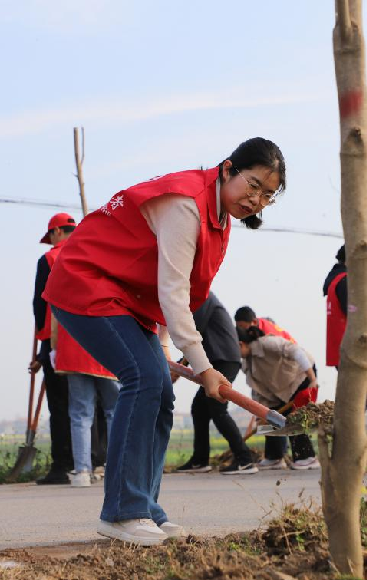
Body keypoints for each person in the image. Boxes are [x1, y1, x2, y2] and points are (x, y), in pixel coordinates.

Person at [43, 137, 285, 546]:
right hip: (87, 282)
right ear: (228, 169)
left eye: (268, 195)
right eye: (254, 184)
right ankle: (123, 511)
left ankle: (146, 509)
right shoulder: (186, 204)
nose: (257, 199)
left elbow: (172, 290)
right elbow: (174, 293)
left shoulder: (218, 218)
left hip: (128, 300)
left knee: (161, 393)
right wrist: (205, 367)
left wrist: (166, 346)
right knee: (143, 379)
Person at [175, 292, 257, 475]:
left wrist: (179, 368)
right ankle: (200, 460)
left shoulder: (202, 296)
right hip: (218, 360)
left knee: (217, 408)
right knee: (199, 408)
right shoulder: (200, 298)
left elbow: (192, 335)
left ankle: (245, 460)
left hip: (225, 360)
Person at [31, 213, 77, 485]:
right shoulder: (91, 253)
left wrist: (42, 346)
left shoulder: (49, 259)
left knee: (60, 405)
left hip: (59, 339)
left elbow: (40, 304)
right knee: (89, 403)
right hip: (95, 337)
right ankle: (92, 461)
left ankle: (61, 466)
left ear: (58, 232)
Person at [236, 324, 319, 471]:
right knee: (268, 417)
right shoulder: (247, 363)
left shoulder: (266, 343)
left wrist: (312, 379)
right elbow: (257, 390)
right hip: (278, 390)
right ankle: (274, 457)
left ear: (240, 344)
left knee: (294, 417)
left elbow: (296, 351)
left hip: (300, 377)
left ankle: (307, 458)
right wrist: (259, 414)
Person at [51, 315, 119, 488]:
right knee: (115, 410)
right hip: (107, 344)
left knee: (81, 413)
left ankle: (82, 471)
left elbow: (54, 314)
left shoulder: (61, 286)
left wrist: (54, 347)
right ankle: (116, 468)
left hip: (73, 345)